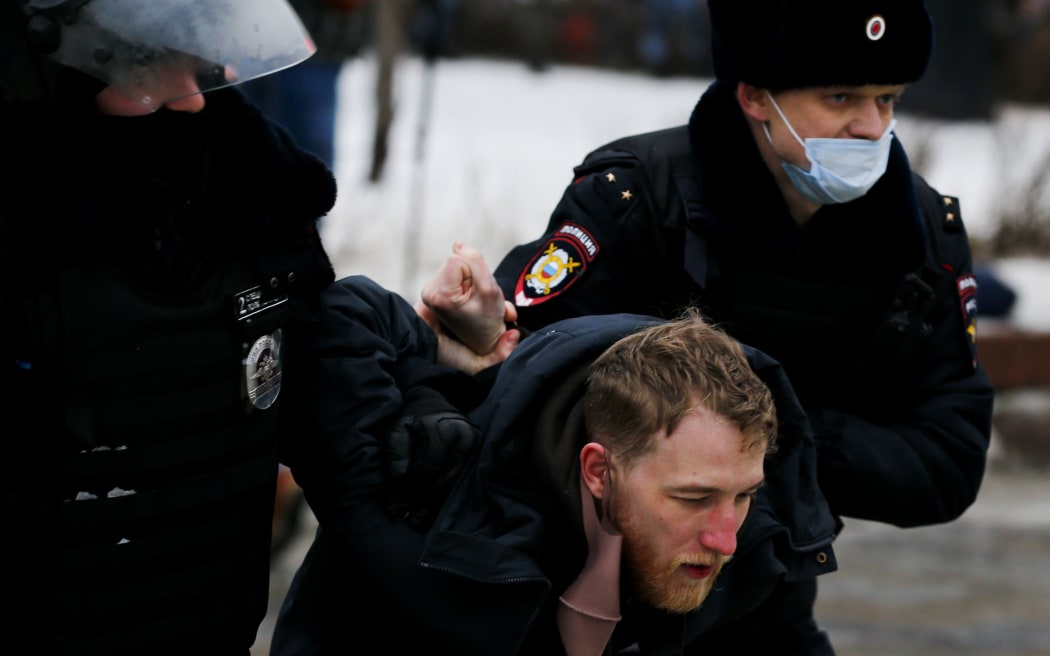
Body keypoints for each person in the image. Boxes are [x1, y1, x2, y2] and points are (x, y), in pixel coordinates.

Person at [420, 0, 996, 651]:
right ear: (754, 95)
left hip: (768, 593)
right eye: (840, 97)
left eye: (887, 99)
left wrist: (777, 444)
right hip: (587, 593)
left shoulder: (919, 237)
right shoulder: (638, 200)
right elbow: (527, 402)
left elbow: (949, 459)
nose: (871, 127)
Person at [271, 304, 838, 654]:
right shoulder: (421, 509)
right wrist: (447, 363)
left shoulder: (757, 552)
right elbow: (345, 314)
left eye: (744, 495)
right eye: (693, 498)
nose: (726, 539)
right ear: (598, 470)